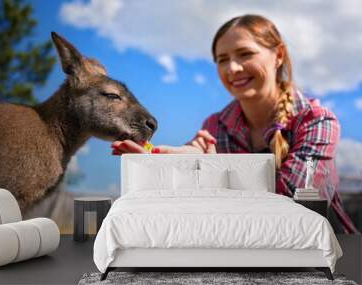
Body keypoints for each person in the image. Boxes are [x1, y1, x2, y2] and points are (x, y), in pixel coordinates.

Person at [111, 14, 358, 234]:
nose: (233, 68)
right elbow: (193, 187)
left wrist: (214, 170)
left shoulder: (317, 121)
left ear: (278, 55)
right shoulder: (214, 126)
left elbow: (295, 205)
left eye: (245, 54)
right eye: (222, 59)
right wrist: (168, 159)